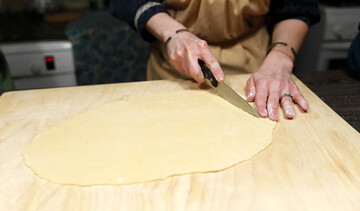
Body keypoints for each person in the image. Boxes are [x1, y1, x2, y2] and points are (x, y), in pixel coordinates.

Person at [109, 0, 320, 121]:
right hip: (174, 69)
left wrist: (281, 56)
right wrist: (172, 34)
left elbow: (297, 6)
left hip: (257, 72)